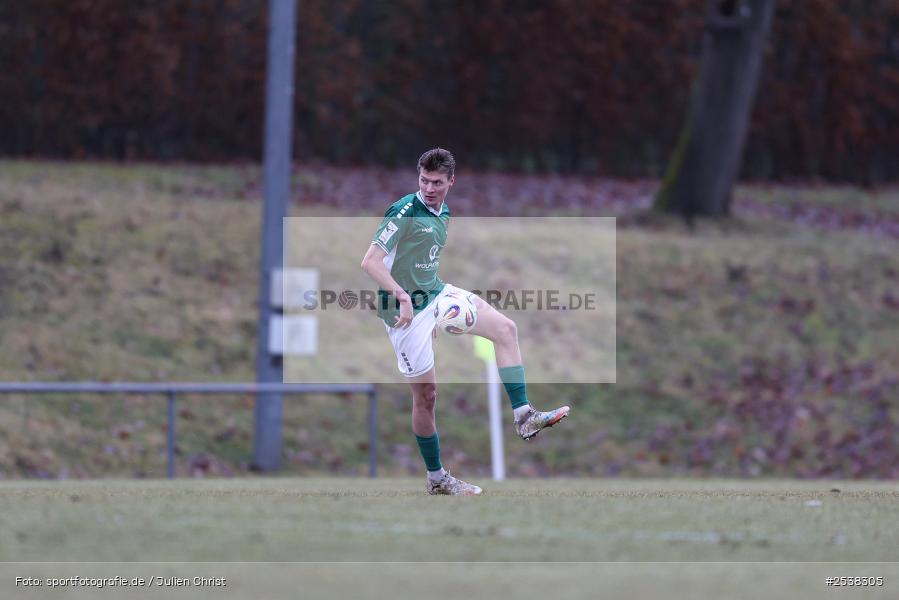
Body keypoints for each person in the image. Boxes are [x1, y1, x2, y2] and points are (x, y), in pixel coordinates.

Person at [360, 148, 570, 496]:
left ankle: (524, 416)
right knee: (426, 396)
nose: (429, 188)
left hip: (435, 293)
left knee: (506, 329)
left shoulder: (444, 213)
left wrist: (437, 311)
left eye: (437, 182)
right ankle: (437, 478)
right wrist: (403, 298)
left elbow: (420, 260)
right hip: (401, 311)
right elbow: (370, 261)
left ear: (451, 182)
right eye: (424, 181)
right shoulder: (404, 212)